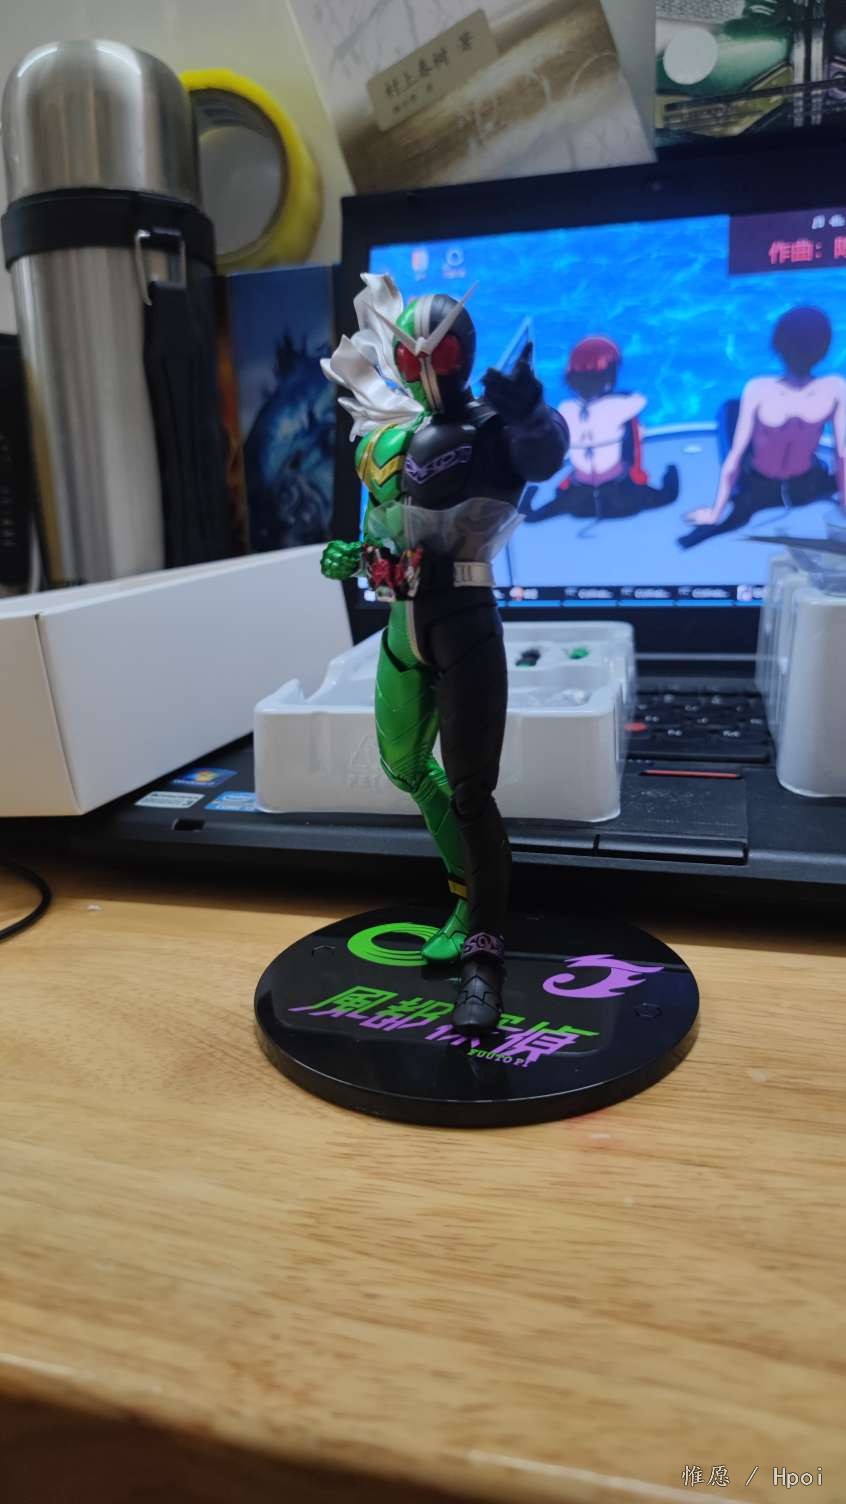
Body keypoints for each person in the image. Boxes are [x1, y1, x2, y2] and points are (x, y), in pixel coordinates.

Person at [321, 275, 568, 1033]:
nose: (424, 367)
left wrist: (531, 412)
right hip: (405, 622)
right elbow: (386, 538)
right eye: (409, 356)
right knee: (403, 766)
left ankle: (483, 959)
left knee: (470, 792)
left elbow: (542, 454)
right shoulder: (393, 438)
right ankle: (463, 885)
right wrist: (354, 557)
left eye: (440, 354)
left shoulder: (493, 429)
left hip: (464, 619)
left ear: (462, 353)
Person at [680, 306, 846, 549]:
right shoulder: (835, 389)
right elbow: (841, 455)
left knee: (729, 409)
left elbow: (735, 457)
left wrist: (715, 513)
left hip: (757, 491)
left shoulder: (759, 389)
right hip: (807, 487)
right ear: (824, 349)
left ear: (778, 346)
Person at [524, 336, 678, 524]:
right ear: (609, 375)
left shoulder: (565, 408)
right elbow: (641, 400)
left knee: (534, 517)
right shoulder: (619, 405)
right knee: (669, 495)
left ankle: (533, 501)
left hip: (577, 500)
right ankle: (649, 473)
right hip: (622, 496)